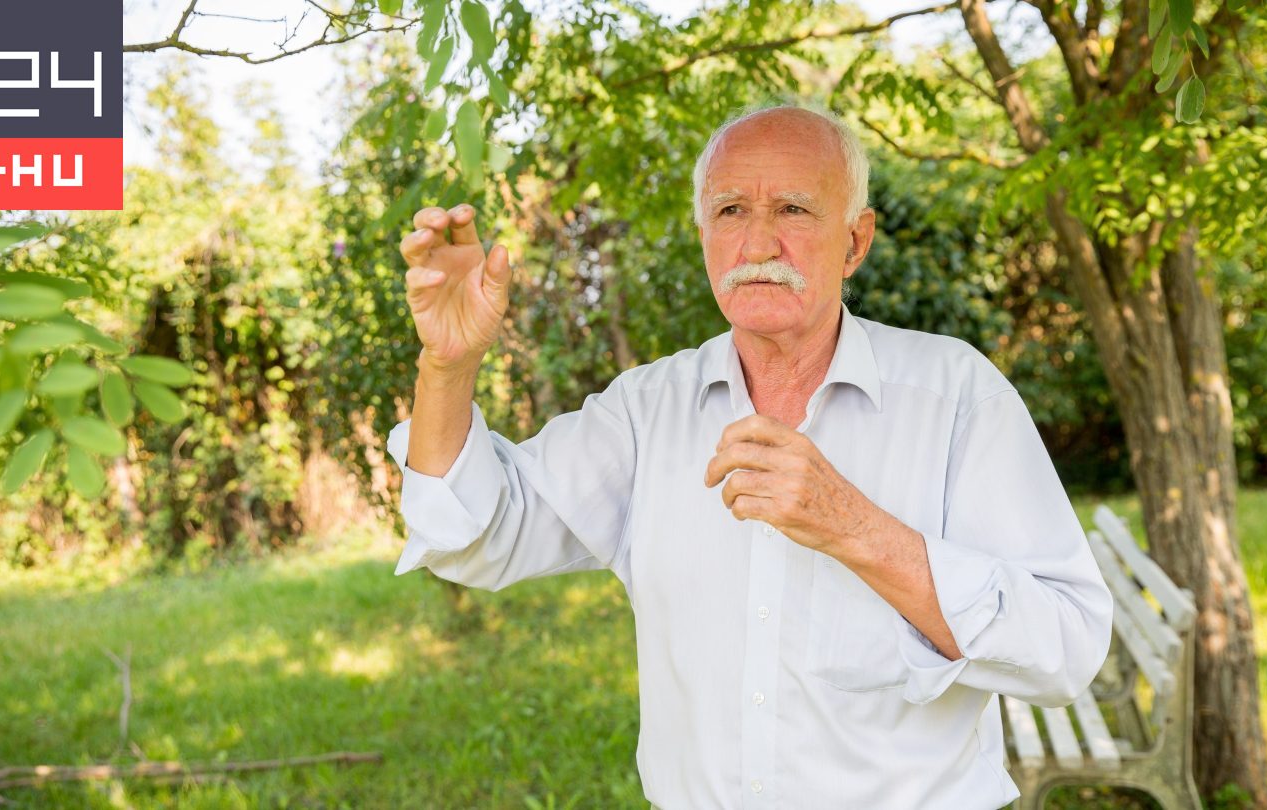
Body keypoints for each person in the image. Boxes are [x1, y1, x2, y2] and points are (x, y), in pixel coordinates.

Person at [388, 105, 1113, 809]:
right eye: (731, 211)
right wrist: (447, 368)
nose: (759, 244)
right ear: (704, 233)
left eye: (794, 210)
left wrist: (854, 527)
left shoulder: (956, 394)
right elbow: (475, 536)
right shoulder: (647, 410)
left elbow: (1067, 646)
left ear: (855, 242)